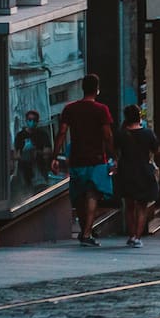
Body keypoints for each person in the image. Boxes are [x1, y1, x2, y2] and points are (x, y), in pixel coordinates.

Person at [54, 75, 114, 247]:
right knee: (92, 194)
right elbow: (107, 135)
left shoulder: (70, 109)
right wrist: (113, 155)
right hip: (96, 158)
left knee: (79, 196)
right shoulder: (101, 110)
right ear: (97, 89)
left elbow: (62, 132)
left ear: (82, 88)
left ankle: (84, 230)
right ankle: (87, 232)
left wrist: (54, 156)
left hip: (77, 158)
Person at [114, 104, 160, 248]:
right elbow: (157, 149)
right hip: (144, 172)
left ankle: (131, 234)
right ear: (139, 116)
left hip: (126, 172)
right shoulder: (148, 133)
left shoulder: (121, 134)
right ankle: (137, 237)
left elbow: (115, 150)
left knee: (129, 206)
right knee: (142, 206)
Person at [14, 109, 54, 189]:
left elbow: (48, 151)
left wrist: (36, 152)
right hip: (25, 170)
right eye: (30, 120)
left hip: (40, 168)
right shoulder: (20, 135)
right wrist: (25, 154)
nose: (32, 122)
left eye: (34, 120)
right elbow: (16, 155)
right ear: (26, 120)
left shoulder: (42, 134)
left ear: (37, 121)